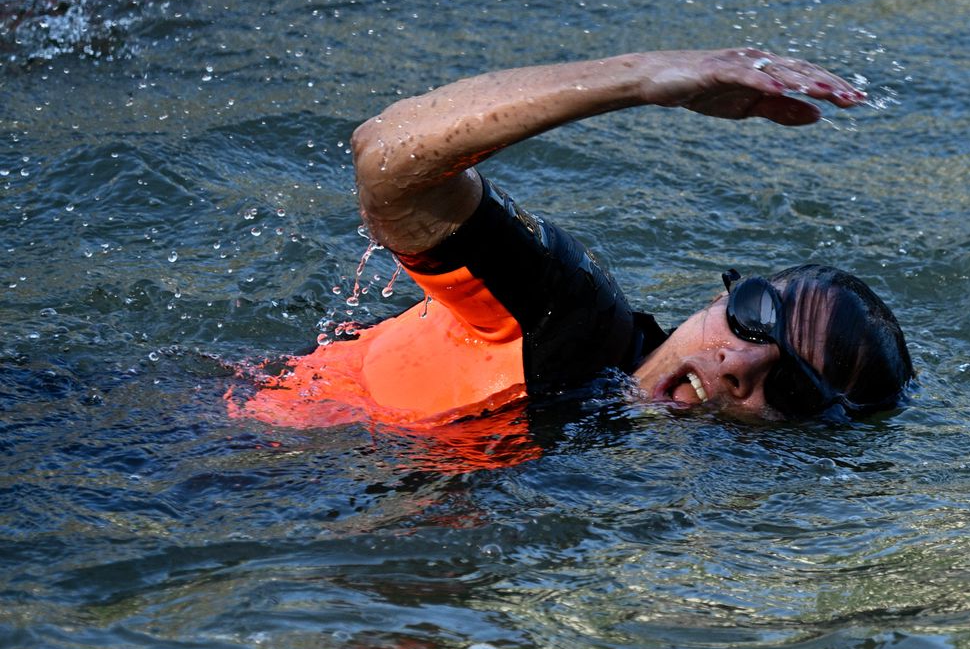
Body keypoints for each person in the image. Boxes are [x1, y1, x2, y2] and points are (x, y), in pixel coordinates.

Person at [238, 48, 913, 432]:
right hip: (179, 451)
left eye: (792, 387)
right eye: (758, 316)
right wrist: (644, 83)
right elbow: (387, 158)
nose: (740, 365)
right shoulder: (572, 316)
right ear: (724, 294)